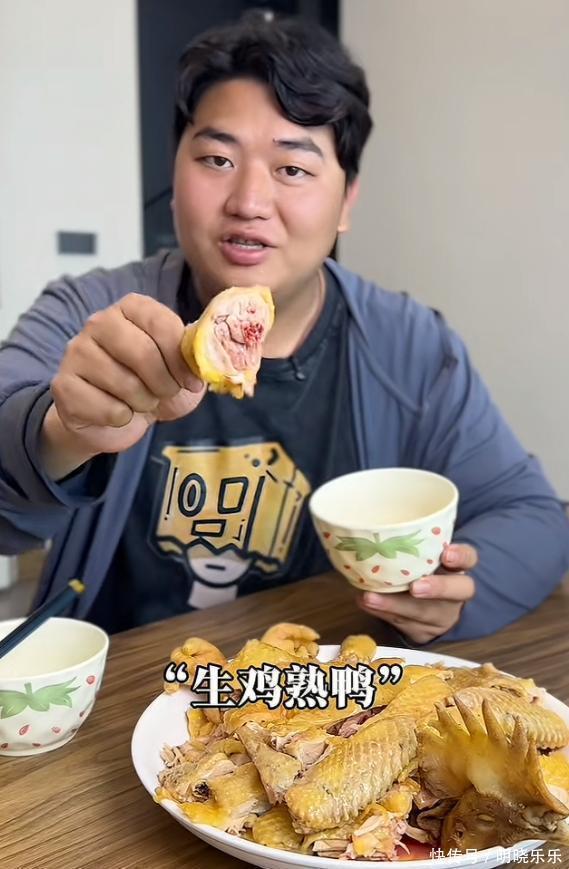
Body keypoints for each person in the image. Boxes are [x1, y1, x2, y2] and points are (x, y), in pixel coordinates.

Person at [0, 12, 567, 645]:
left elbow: (534, 518)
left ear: (346, 201)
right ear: (175, 175)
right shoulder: (91, 312)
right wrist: (63, 433)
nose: (248, 201)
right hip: (128, 689)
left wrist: (459, 590)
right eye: (217, 158)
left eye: (292, 169)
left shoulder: (412, 347)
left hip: (328, 689)